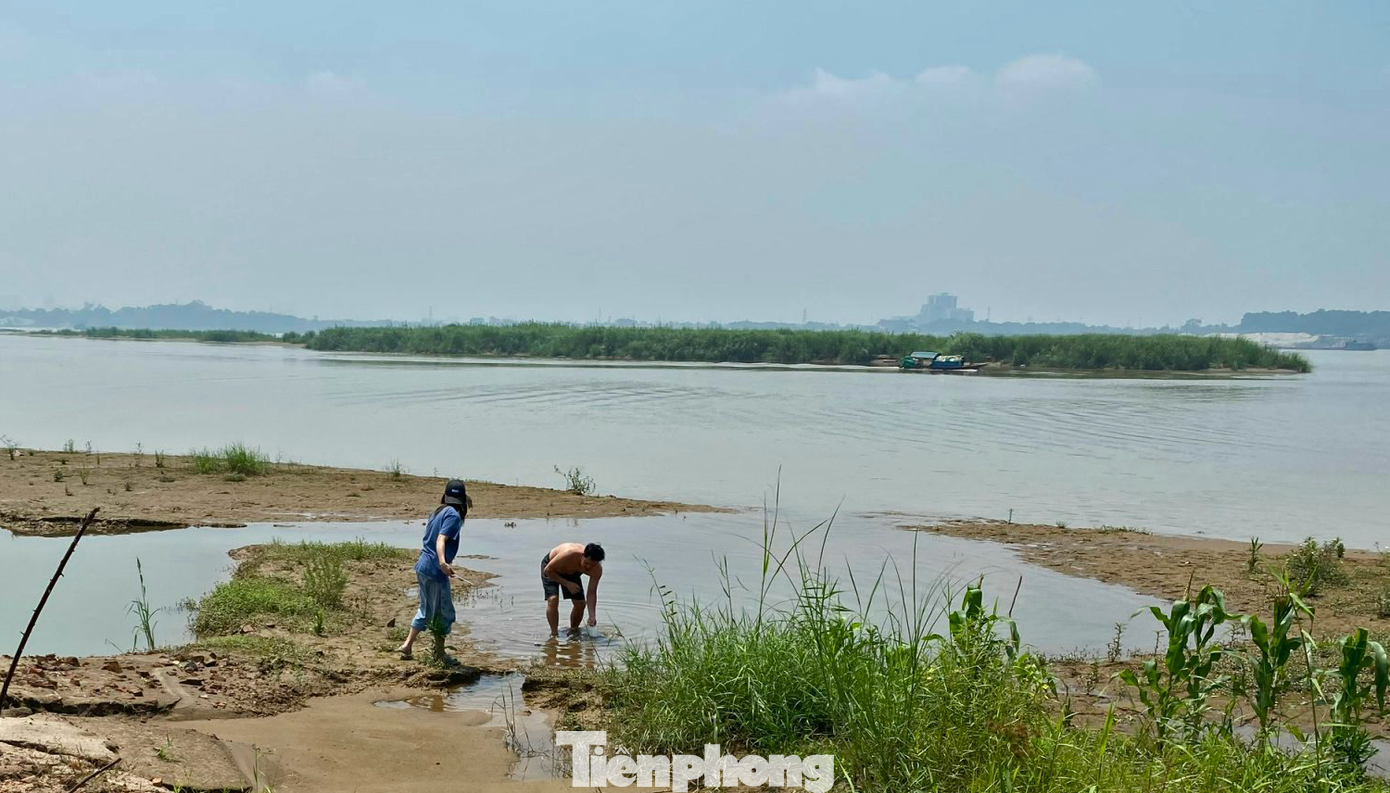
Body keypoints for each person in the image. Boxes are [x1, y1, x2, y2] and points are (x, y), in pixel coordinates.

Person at [397, 479, 470, 660]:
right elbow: (440, 540)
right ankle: (439, 653)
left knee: (426, 609)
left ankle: (407, 646)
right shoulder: (453, 515)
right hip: (434, 570)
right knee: (444, 613)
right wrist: (443, 563)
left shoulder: (438, 511)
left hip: (423, 566)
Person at [541, 542, 605, 637]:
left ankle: (574, 630)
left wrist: (592, 615)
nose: (588, 567)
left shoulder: (597, 570)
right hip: (552, 569)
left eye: (592, 565)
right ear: (582, 555)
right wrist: (567, 584)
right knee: (553, 599)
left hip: (572, 572)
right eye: (586, 563)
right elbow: (547, 571)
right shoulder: (569, 554)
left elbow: (591, 593)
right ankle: (554, 634)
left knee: (580, 604)